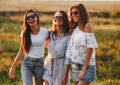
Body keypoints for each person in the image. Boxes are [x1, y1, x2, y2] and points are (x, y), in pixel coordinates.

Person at [9, 9, 48, 85]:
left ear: (37, 18)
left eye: (32, 16)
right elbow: (21, 51)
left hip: (39, 64)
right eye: (28, 18)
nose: (30, 19)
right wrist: (12, 67)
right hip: (27, 63)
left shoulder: (45, 32)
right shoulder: (24, 32)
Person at [63, 3, 98, 85]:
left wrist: (83, 70)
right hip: (75, 66)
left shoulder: (87, 26)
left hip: (87, 67)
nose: (73, 15)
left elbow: (90, 49)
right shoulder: (74, 28)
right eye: (71, 13)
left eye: (75, 12)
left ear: (81, 13)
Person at [42, 10, 70, 85]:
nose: (58, 19)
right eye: (56, 17)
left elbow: (68, 58)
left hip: (61, 67)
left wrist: (65, 75)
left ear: (65, 20)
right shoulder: (49, 33)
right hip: (48, 64)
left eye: (60, 17)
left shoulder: (68, 37)